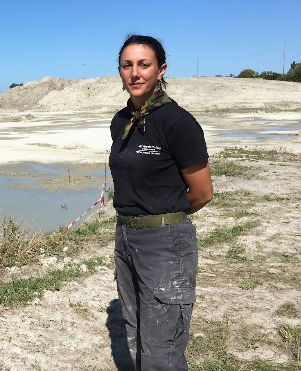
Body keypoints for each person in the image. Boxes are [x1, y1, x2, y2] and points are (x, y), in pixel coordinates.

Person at [108, 35, 213, 370]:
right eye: (127, 65)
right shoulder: (120, 121)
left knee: (162, 350)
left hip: (165, 244)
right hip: (126, 238)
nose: (135, 73)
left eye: (144, 64)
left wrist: (163, 217)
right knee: (136, 334)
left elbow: (201, 192)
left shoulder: (178, 123)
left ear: (160, 70)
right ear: (120, 71)